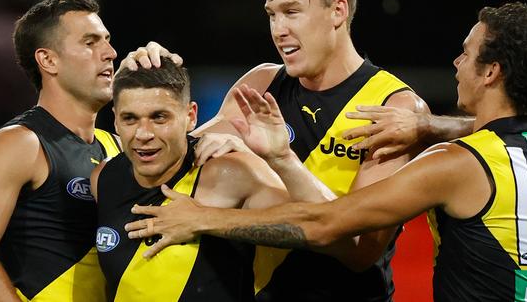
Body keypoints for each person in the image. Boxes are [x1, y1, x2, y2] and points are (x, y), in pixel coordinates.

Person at [125, 2, 527, 302]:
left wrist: (207, 219)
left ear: (491, 72)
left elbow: (331, 227)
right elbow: (488, 133)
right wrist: (429, 125)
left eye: (466, 54)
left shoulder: (452, 164)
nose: (455, 63)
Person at [123, 0, 430, 301]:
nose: (278, 29)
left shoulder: (394, 107)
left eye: (292, 11)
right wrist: (151, 82)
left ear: (338, 11)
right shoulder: (261, 83)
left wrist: (280, 160)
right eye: (272, 14)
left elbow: (360, 250)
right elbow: (167, 163)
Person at [91, 61, 340, 301]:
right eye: (130, 119)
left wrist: (281, 159)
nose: (143, 134)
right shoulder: (103, 178)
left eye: (159, 118)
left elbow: (323, 227)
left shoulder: (229, 172)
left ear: (191, 116)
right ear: (115, 120)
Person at [0, 0, 126, 301]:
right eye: (90, 42)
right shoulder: (21, 143)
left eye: (107, 41)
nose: (110, 53)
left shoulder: (117, 146)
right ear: (48, 60)